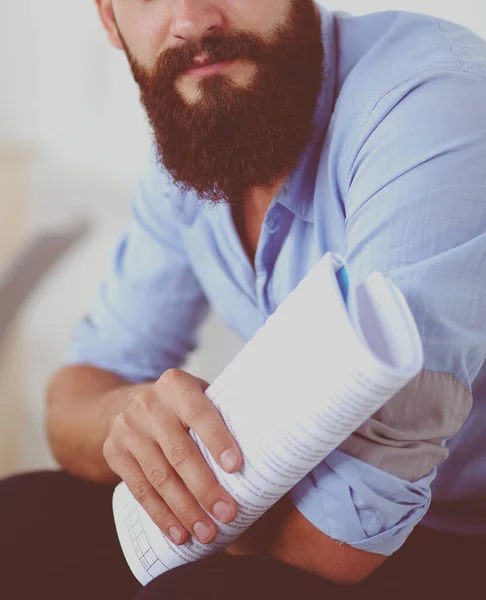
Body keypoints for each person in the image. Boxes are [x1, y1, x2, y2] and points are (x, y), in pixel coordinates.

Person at [2, 1, 486, 598]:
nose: (193, 19)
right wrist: (129, 418)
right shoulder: (201, 119)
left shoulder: (426, 105)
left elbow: (344, 537)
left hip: (453, 534)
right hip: (297, 510)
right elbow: (75, 398)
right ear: (109, 19)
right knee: (19, 520)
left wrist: (207, 528)